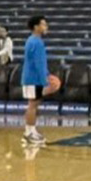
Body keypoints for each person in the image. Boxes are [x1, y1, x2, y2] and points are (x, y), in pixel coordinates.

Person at [21, 15, 50, 147]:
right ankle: (28, 133)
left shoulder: (35, 41)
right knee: (32, 105)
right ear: (36, 27)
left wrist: (47, 74)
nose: (46, 27)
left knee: (34, 104)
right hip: (33, 78)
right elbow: (38, 64)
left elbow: (41, 63)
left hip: (34, 77)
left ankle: (31, 130)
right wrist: (45, 80)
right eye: (43, 24)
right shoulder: (35, 42)